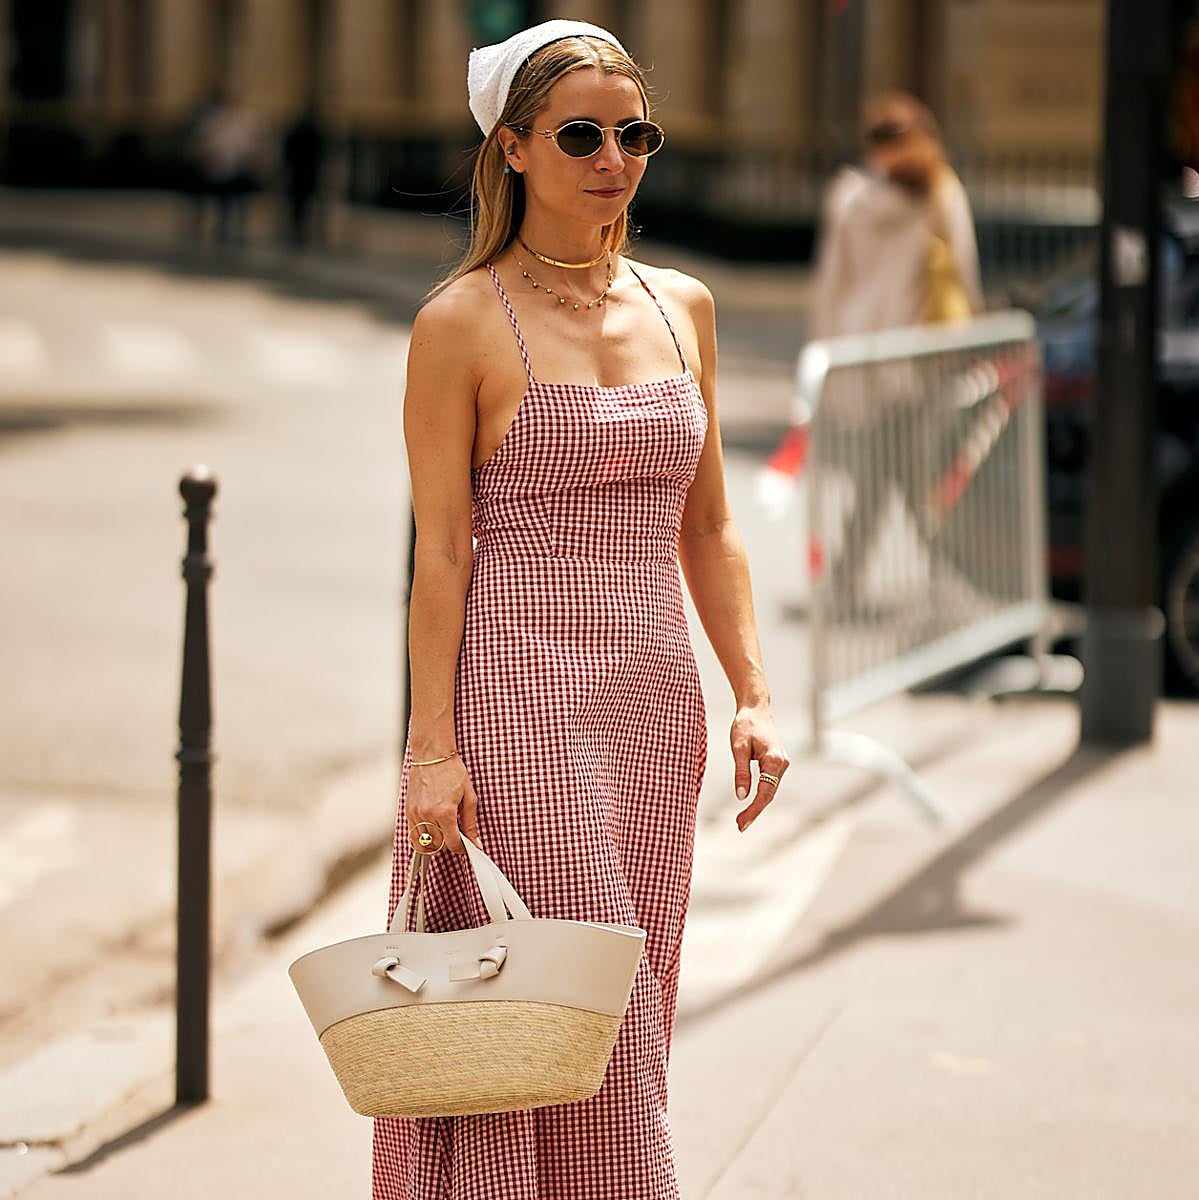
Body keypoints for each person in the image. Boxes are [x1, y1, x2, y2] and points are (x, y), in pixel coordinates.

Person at [371, 19, 789, 1200]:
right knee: (566, 1005)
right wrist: (430, 751)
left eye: (634, 132)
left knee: (634, 1008)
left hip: (654, 707)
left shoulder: (681, 307)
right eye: (579, 134)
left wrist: (752, 697)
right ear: (511, 148)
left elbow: (706, 527)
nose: (614, 157)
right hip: (517, 704)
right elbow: (441, 556)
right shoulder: (458, 322)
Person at [805, 91, 984, 613]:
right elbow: (965, 274)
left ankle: (867, 582)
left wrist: (826, 349)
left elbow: (831, 286)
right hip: (915, 359)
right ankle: (950, 584)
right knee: (903, 474)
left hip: (881, 358)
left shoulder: (854, 198)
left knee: (891, 473)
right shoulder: (936, 194)